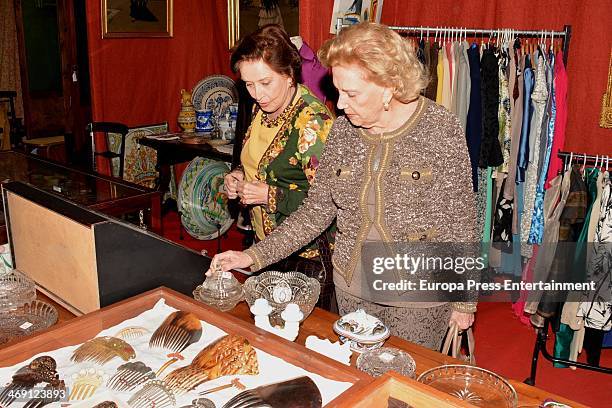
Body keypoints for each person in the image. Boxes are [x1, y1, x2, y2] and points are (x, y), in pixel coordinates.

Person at [210, 22, 478, 350]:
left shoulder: (439, 128)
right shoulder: (343, 131)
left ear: (389, 85)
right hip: (352, 288)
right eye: (337, 91)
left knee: (404, 389)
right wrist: (253, 256)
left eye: (351, 94)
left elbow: (461, 221)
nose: (339, 104)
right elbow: (316, 211)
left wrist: (465, 301)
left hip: (418, 298)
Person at [224, 24, 334, 268]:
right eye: (248, 85)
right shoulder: (261, 108)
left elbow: (331, 203)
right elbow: (261, 162)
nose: (257, 94)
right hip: (265, 246)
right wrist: (239, 175)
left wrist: (269, 195)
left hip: (305, 256)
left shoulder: (312, 123)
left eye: (265, 82)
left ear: (289, 74)